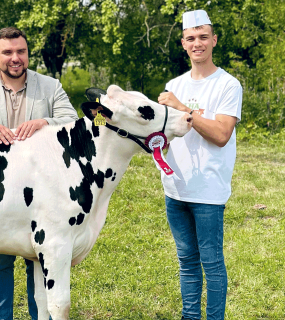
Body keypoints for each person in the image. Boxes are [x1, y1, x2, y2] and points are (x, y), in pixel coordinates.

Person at [0, 27, 78, 320]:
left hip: (43, 189)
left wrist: (45, 121)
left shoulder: (50, 86)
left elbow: (73, 122)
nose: (15, 58)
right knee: (0, 260)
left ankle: (40, 316)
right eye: (7, 52)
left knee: (41, 259)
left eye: (20, 51)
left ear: (27, 54)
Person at [157, 10, 242, 320]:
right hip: (175, 189)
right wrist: (158, 139)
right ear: (183, 43)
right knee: (186, 262)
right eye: (191, 38)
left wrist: (183, 109)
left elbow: (221, 134)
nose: (198, 43)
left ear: (214, 40)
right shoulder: (173, 84)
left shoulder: (228, 86)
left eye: (203, 37)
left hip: (208, 191)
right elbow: (166, 135)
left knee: (212, 263)